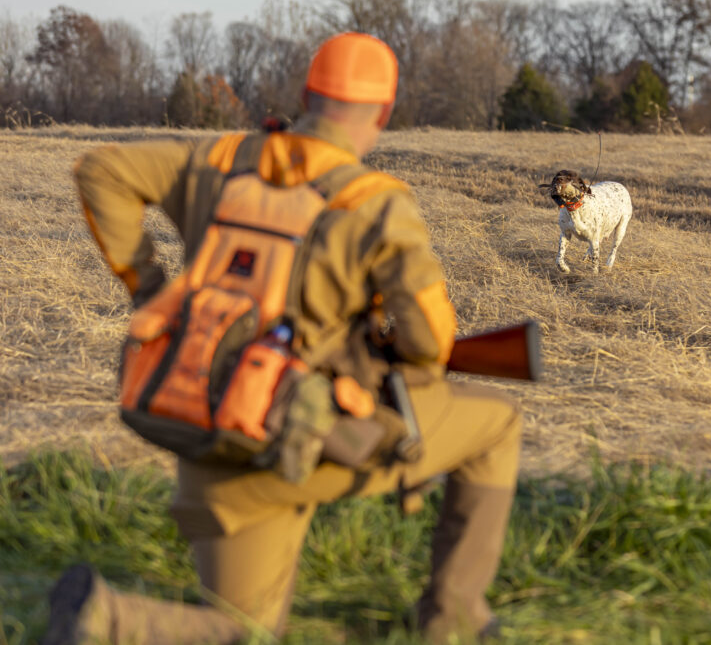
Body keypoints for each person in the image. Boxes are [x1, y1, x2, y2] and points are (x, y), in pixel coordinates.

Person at [44, 32, 522, 644]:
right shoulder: (377, 206)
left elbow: (100, 169)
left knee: (244, 629)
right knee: (498, 424)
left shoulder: (217, 162)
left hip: (210, 435)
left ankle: (106, 618)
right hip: (309, 438)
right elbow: (431, 341)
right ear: (383, 113)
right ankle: (453, 621)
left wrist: (152, 290)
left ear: (306, 96)